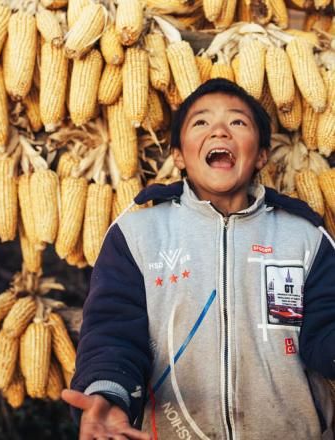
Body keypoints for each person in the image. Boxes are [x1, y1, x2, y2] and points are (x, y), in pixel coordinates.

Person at [62, 78, 335, 439]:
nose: (220, 130)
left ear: (262, 155)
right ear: (178, 154)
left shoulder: (304, 237)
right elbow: (114, 332)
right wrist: (109, 394)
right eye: (201, 122)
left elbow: (324, 334)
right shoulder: (138, 234)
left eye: (238, 122)